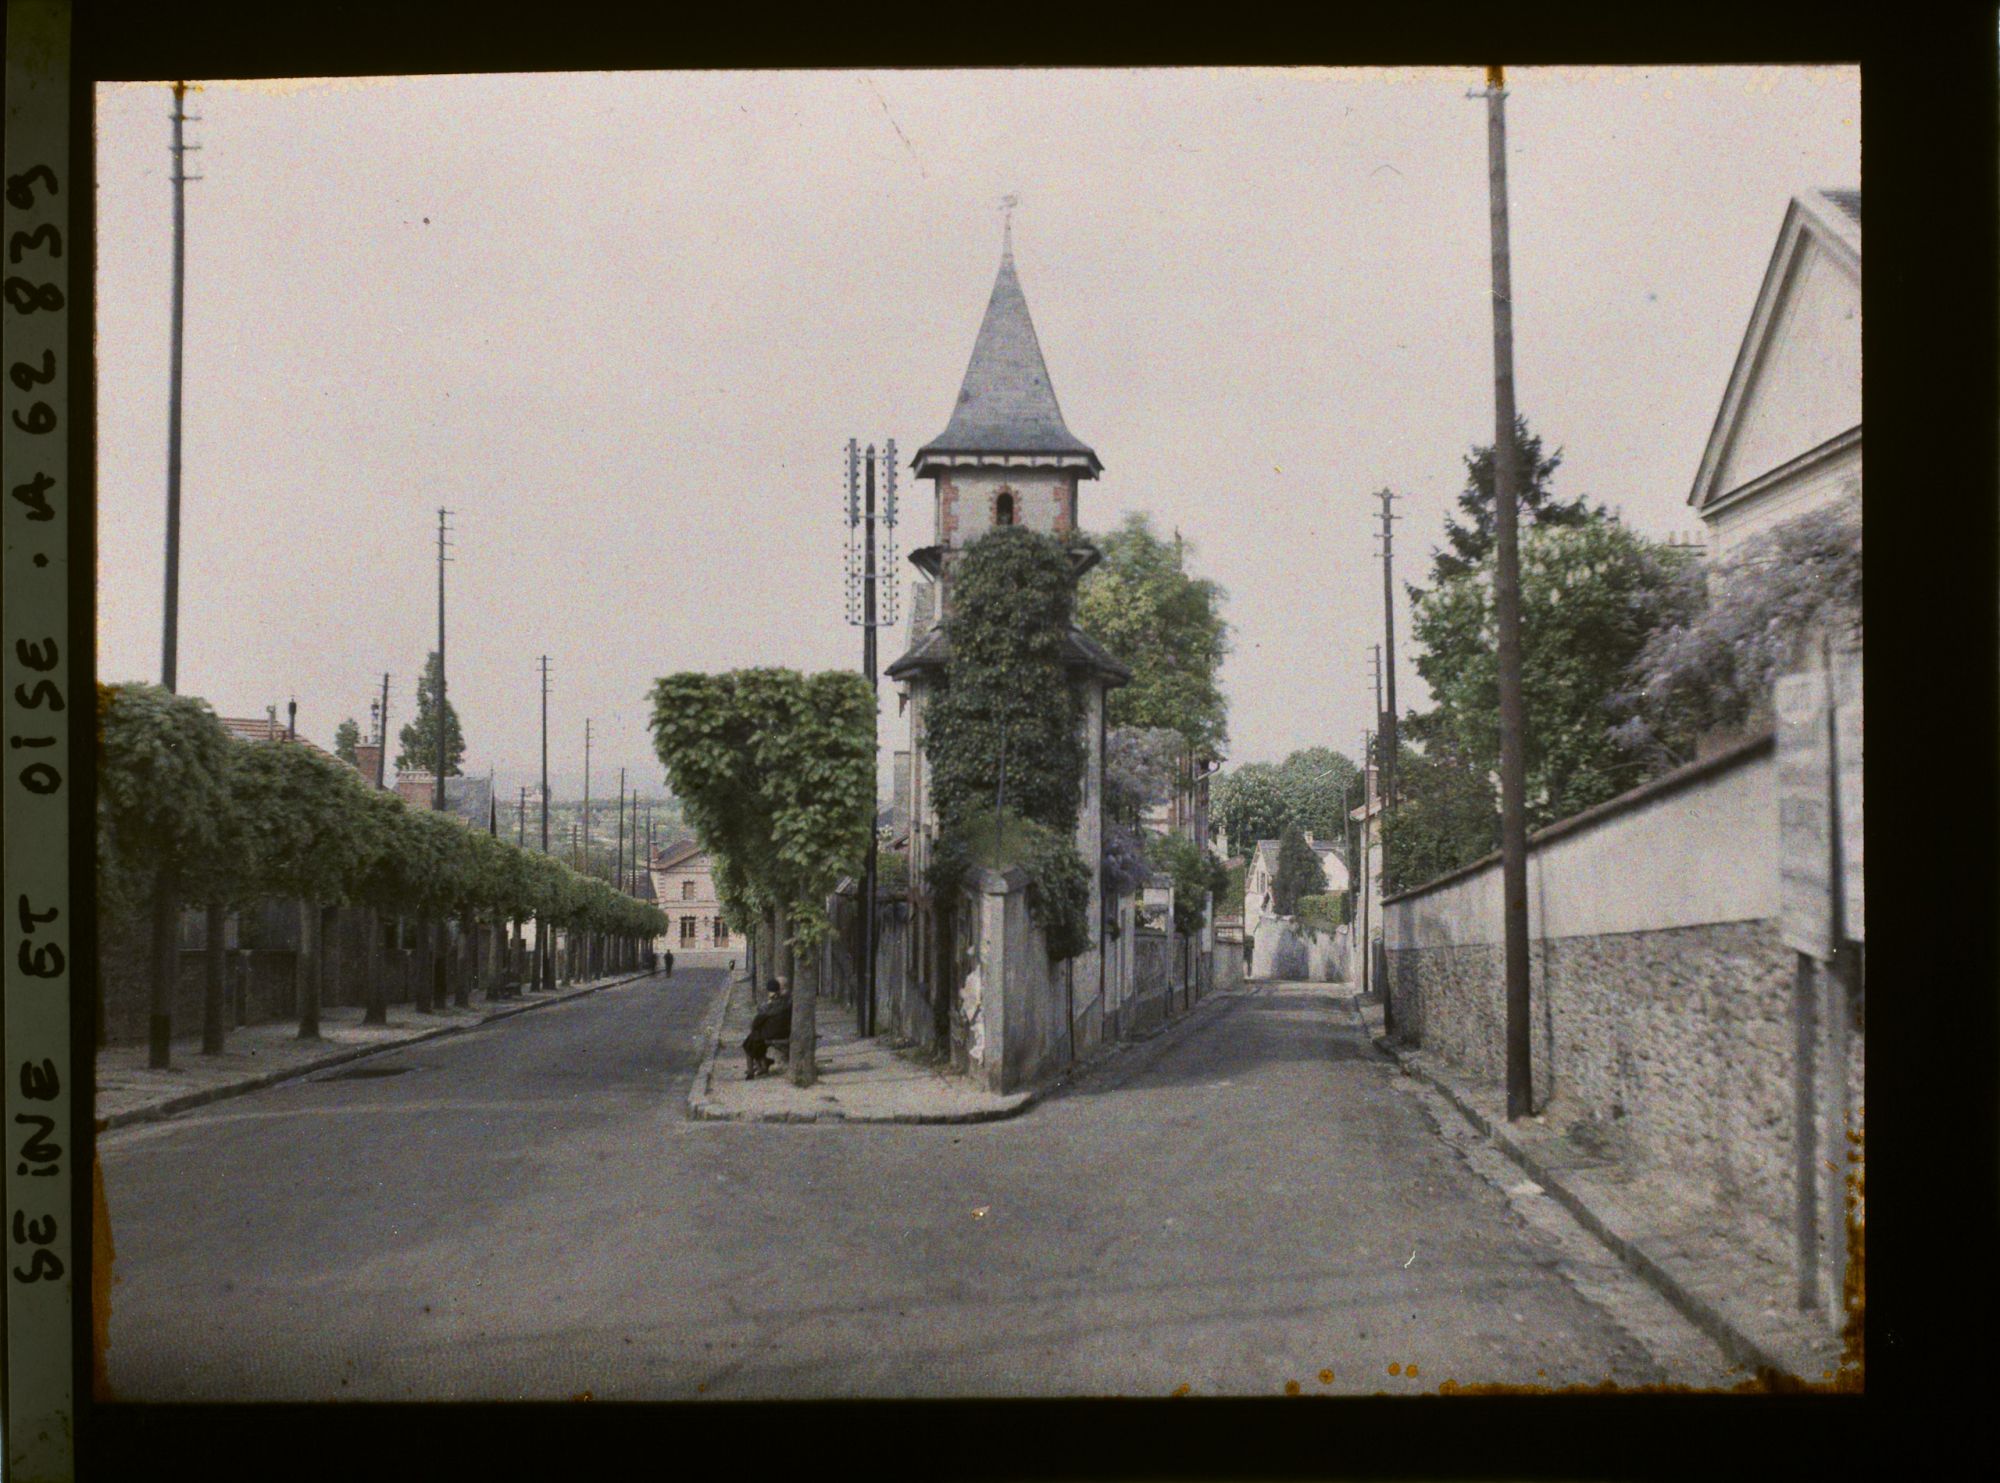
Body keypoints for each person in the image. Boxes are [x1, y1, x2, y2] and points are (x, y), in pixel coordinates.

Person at [743, 978, 791, 1079]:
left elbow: (758, 1020)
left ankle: (752, 1070)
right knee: (755, 1039)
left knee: (750, 1042)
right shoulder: (787, 1002)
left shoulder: (771, 1005)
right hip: (784, 1031)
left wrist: (768, 1003)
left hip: (772, 1034)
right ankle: (762, 1065)